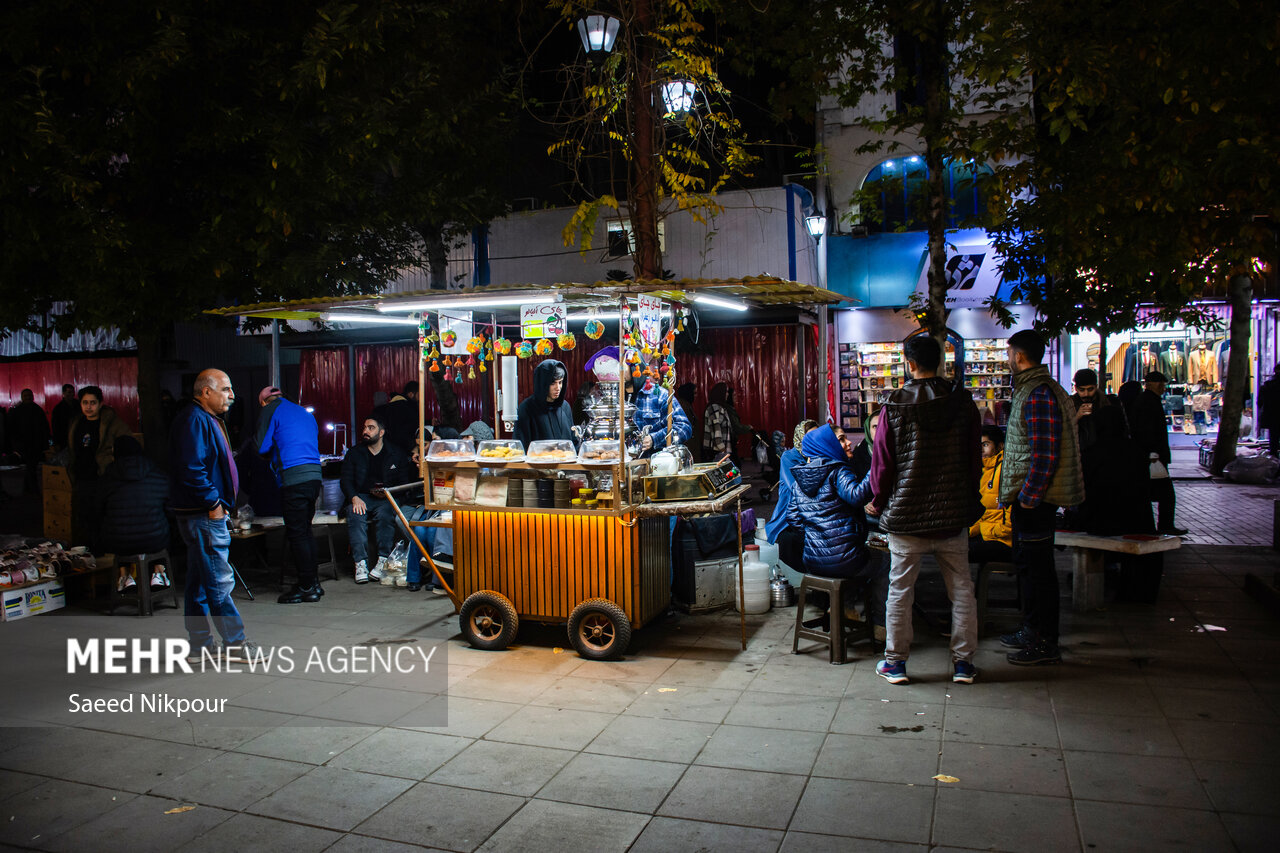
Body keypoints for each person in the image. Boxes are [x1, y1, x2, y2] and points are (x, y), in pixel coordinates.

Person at [867, 334, 983, 685]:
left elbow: (883, 465)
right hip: (952, 515)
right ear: (941, 361)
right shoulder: (962, 402)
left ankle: (896, 663)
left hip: (906, 516)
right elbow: (974, 459)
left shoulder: (893, 407)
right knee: (962, 588)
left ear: (910, 363)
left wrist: (878, 498)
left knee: (900, 591)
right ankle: (964, 664)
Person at [999, 330, 1085, 666]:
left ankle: (1045, 640)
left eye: (1009, 354)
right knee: (1029, 566)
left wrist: (1029, 497)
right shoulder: (1033, 389)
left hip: (1035, 498)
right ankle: (1031, 629)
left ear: (1019, 356)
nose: (1008, 359)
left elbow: (1045, 452)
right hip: (1030, 496)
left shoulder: (1038, 392)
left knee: (1039, 570)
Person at [170, 368, 259, 662]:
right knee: (219, 581)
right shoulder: (195, 419)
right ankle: (235, 642)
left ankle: (199, 645)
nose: (232, 396)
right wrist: (213, 503)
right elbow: (191, 468)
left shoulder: (203, 418)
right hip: (203, 516)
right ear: (205, 392)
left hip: (202, 514)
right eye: (225, 389)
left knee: (198, 581)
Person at [787, 424, 876, 631]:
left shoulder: (799, 478)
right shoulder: (837, 471)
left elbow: (793, 518)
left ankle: (839, 610)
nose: (847, 443)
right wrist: (876, 468)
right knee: (885, 564)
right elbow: (856, 496)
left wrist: (815, 537)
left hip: (812, 561)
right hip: (846, 560)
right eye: (841, 439)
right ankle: (876, 623)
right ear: (826, 445)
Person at [255, 386, 325, 604]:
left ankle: (305, 587)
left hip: (294, 478)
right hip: (314, 477)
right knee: (305, 531)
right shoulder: (303, 412)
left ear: (265, 401)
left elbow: (261, 446)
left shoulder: (270, 409)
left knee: (297, 534)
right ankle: (313, 583)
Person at [1067, 368, 1141, 534]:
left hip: (1108, 462)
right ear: (1076, 388)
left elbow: (1124, 430)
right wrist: (1076, 417)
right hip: (1082, 461)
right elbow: (1062, 433)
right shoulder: (1069, 404)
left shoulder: (1110, 402)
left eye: (1090, 389)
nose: (1086, 394)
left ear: (1096, 386)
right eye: (1082, 390)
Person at [341, 415, 412, 583]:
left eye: (370, 428)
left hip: (386, 497)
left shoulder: (395, 454)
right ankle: (360, 563)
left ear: (381, 432)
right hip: (362, 496)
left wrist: (389, 494)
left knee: (386, 514)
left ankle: (382, 560)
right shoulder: (355, 453)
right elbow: (345, 480)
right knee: (355, 514)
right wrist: (354, 497)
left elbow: (404, 483)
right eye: (365, 428)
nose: (365, 431)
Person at [98, 435, 171, 593]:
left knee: (119, 530)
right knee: (158, 527)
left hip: (118, 541)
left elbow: (98, 509)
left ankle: (125, 576)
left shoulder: (107, 477)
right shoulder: (157, 474)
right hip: (154, 539)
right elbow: (168, 505)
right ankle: (158, 572)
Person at [67, 385, 132, 547]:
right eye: (85, 403)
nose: (88, 407)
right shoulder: (77, 423)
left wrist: (112, 464)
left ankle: (103, 549)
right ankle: (87, 549)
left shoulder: (113, 423)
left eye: (93, 403)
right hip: (81, 477)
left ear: (101, 403)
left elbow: (127, 446)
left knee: (102, 516)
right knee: (83, 516)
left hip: (103, 477)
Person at [1131, 370, 1188, 535]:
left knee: (1154, 493)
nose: (1163, 388)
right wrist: (1153, 452)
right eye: (1160, 384)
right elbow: (1147, 430)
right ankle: (1164, 524)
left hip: (1152, 455)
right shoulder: (1148, 402)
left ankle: (1158, 525)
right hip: (1152, 456)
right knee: (1165, 494)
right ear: (1150, 385)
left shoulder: (1148, 400)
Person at [766, 419, 818, 575]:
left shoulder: (821, 455)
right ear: (800, 437)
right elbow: (799, 488)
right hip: (789, 517)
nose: (814, 440)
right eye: (810, 436)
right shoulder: (789, 457)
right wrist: (812, 464)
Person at [969, 426, 1013, 564]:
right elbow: (983, 513)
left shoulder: (1006, 470)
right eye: (979, 445)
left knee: (957, 552)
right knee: (950, 547)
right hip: (988, 534)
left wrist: (988, 531)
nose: (981, 450)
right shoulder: (984, 470)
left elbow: (1009, 524)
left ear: (1000, 446)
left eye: (986, 445)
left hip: (1003, 541)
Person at [514, 360, 575, 448]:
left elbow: (574, 441)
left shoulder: (565, 407)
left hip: (566, 460)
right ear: (543, 383)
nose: (558, 388)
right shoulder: (527, 408)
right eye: (553, 383)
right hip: (538, 461)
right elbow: (521, 446)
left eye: (560, 382)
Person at [8, 389, 50, 493]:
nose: (28, 398)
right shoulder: (38, 410)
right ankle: (32, 488)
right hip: (31, 443)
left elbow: (11, 429)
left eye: (29, 396)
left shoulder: (17, 411)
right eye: (26, 396)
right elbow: (44, 428)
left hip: (28, 444)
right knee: (32, 466)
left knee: (30, 466)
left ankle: (28, 488)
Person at [375, 382, 419, 456]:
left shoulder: (395, 405)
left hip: (390, 449)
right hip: (402, 451)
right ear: (411, 394)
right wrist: (413, 445)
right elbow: (401, 430)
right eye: (419, 394)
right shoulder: (404, 407)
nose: (420, 398)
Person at [1260, 362, 1280, 456]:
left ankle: (1274, 461)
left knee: (1274, 441)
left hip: (1272, 417)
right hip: (1274, 416)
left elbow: (1260, 402)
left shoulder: (1267, 385)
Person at [50, 384, 78, 452]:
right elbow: (55, 427)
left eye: (72, 392)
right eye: (69, 392)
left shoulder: (78, 405)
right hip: (64, 438)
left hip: (77, 436)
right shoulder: (58, 409)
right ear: (63, 393)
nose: (71, 394)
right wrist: (56, 442)